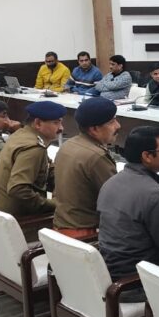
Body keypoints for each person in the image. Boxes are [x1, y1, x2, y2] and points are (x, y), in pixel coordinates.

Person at [98, 126, 159, 301]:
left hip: (108, 275)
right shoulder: (156, 195)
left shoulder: (110, 183)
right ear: (147, 156)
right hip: (136, 284)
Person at [53, 97, 120, 239]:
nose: (118, 126)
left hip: (60, 228)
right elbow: (117, 202)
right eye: (111, 122)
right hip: (86, 236)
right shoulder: (97, 157)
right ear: (94, 129)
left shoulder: (68, 145)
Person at [0, 101, 64, 217]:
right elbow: (18, 189)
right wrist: (52, 204)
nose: (61, 128)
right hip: (14, 220)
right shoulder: (33, 148)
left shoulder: (22, 135)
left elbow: (47, 166)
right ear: (38, 123)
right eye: (56, 123)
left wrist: (64, 182)